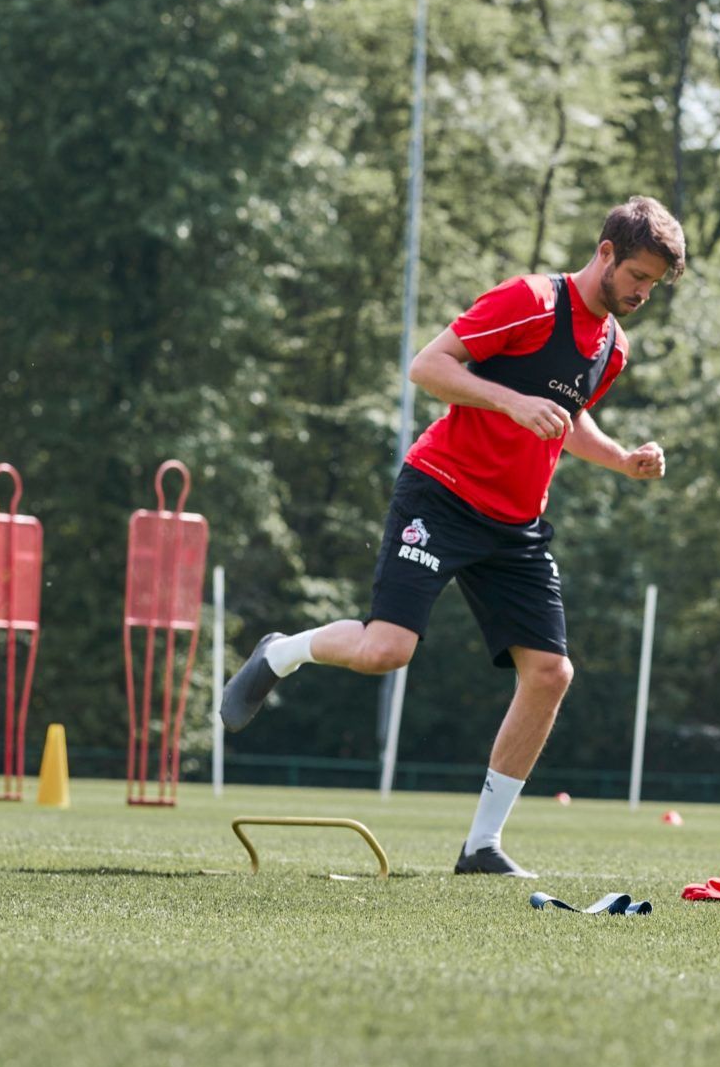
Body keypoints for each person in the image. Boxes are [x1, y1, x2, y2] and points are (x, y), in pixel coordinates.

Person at [221, 197, 685, 876]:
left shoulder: (612, 347)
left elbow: (568, 417)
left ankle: (481, 846)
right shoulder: (530, 301)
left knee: (550, 673)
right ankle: (282, 652)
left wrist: (620, 459)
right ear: (606, 253)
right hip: (441, 494)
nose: (643, 293)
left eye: (654, 285)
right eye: (638, 276)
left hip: (516, 525)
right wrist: (511, 401)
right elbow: (429, 366)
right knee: (386, 651)